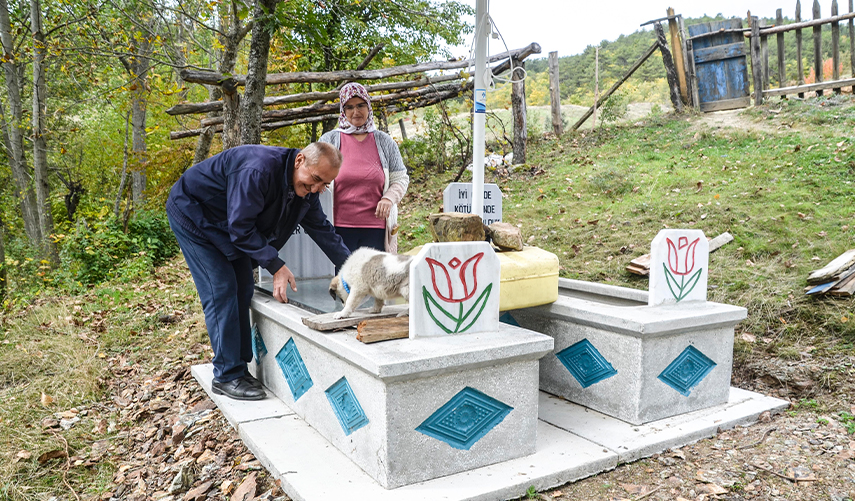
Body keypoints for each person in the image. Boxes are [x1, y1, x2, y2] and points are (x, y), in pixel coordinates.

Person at [166, 143, 350, 401]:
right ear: (299, 161)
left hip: (227, 222)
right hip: (194, 214)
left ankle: (239, 368)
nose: (317, 189)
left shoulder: (305, 189)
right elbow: (240, 228)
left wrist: (354, 268)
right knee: (221, 288)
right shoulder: (259, 170)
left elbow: (321, 229)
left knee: (243, 287)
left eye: (324, 185)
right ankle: (227, 375)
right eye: (316, 180)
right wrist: (275, 265)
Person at [320, 82, 409, 254]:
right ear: (343, 111)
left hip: (376, 228)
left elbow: (401, 178)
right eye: (350, 107)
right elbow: (314, 174)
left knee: (375, 279)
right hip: (337, 228)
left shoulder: (384, 142)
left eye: (361, 105)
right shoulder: (329, 140)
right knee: (343, 279)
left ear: (368, 107)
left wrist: (389, 198)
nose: (356, 112)